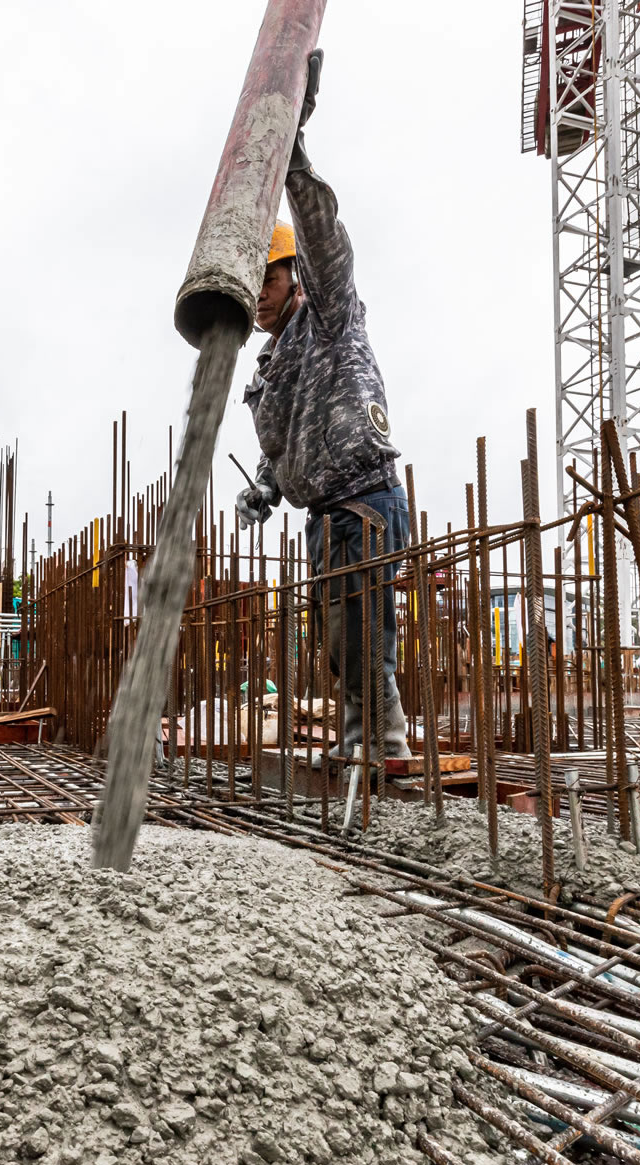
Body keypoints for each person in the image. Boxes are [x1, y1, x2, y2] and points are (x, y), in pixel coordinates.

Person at [235, 50, 411, 764]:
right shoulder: (270, 365)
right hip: (325, 512)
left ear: (292, 272)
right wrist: (265, 488)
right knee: (340, 636)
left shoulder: (329, 312)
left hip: (361, 500)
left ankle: (382, 746)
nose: (254, 296)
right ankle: (369, 740)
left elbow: (323, 237)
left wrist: (290, 157)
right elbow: (282, 452)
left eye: (264, 278)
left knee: (360, 630)